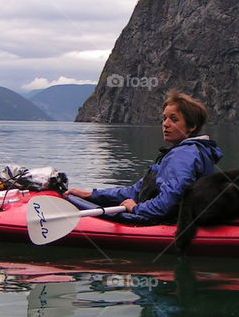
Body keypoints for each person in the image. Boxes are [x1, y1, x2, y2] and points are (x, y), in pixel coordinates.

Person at [66, 90, 222, 223]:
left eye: (173, 119)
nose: (166, 124)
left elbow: (169, 201)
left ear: (192, 126)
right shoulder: (187, 151)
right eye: (164, 118)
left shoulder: (183, 155)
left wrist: (135, 208)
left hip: (170, 224)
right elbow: (135, 191)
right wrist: (92, 195)